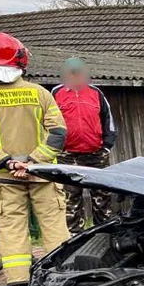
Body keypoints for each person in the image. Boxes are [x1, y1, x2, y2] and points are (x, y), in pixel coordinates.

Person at [0, 33, 71, 286]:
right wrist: (33, 161)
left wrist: (9, 162)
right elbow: (59, 133)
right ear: (21, 60)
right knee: (53, 223)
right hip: (44, 175)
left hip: (4, 176)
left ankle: (18, 284)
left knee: (11, 226)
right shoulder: (40, 93)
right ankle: (59, 276)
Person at [52, 57, 117, 234]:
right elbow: (47, 123)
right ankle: (74, 236)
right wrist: (55, 148)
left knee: (102, 196)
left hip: (96, 154)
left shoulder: (96, 93)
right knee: (71, 197)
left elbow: (108, 121)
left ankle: (104, 233)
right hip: (68, 155)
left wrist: (106, 146)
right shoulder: (56, 93)